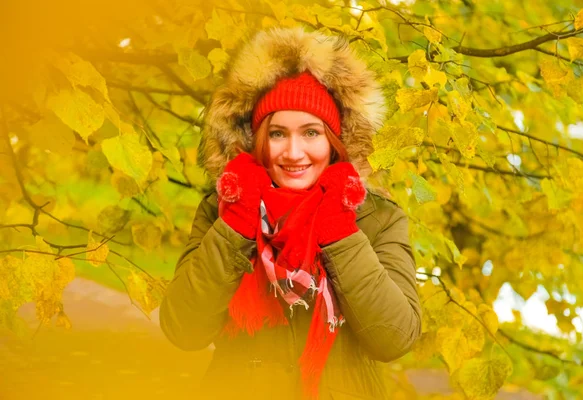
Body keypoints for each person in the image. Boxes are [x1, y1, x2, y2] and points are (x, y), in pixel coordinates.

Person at [159, 27, 422, 400]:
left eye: (311, 133)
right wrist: (237, 223)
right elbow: (183, 329)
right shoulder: (221, 210)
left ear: (335, 142)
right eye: (278, 133)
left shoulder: (378, 218)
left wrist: (339, 231)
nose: (293, 152)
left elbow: (395, 338)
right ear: (256, 138)